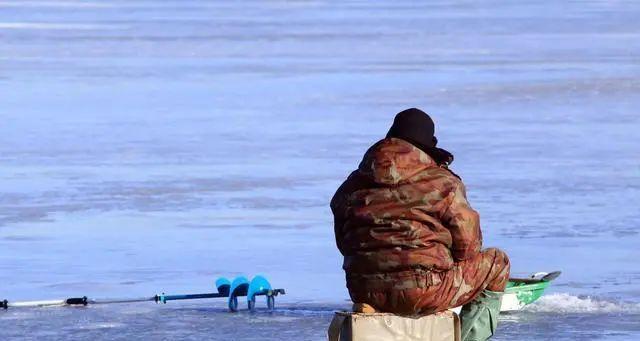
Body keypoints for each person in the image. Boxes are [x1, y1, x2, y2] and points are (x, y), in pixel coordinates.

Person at [330, 108, 510, 341]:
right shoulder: (443, 183)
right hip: (425, 290)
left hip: (364, 289)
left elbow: (344, 243)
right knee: (498, 262)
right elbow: (468, 247)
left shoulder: (352, 185)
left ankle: (373, 309)